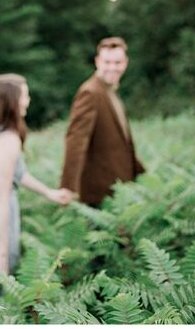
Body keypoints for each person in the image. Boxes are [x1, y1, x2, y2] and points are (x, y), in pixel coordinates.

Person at [0, 74, 73, 294]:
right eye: (25, 96)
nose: (27, 101)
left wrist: (48, 193)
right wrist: (1, 253)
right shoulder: (8, 141)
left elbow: (16, 173)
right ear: (12, 101)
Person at [60, 37, 146, 207]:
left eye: (117, 62)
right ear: (97, 62)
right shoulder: (90, 93)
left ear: (125, 63)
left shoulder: (109, 91)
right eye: (107, 62)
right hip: (99, 195)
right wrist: (68, 188)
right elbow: (76, 141)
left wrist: (140, 172)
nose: (112, 68)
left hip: (119, 189)